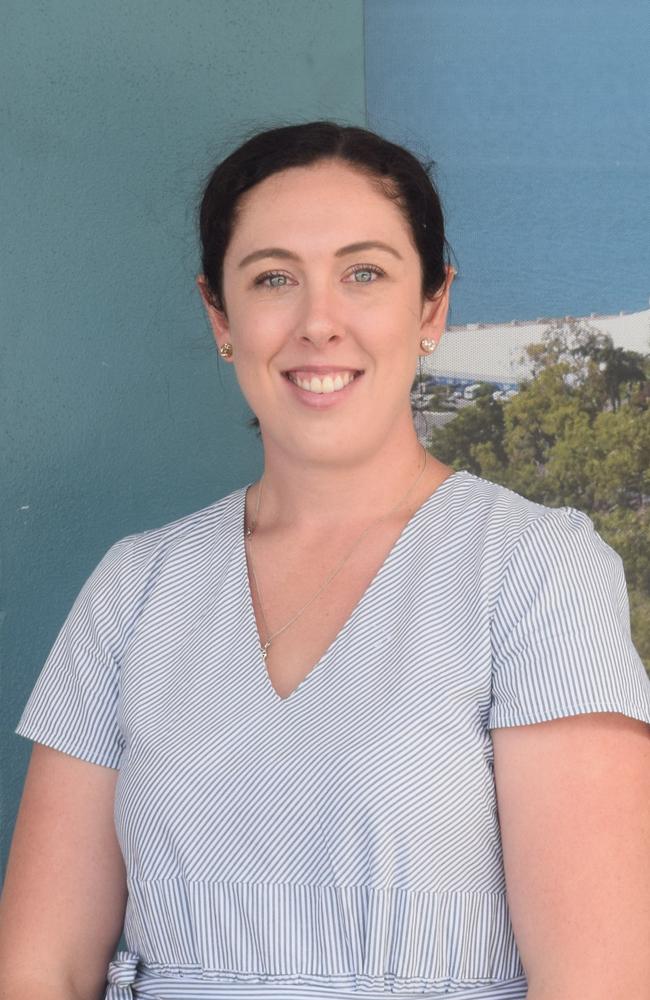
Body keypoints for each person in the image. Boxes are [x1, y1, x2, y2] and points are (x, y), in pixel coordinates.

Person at [1, 121, 649, 1000]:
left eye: (365, 273)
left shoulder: (537, 571)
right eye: (273, 278)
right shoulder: (134, 587)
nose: (318, 323)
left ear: (433, 307)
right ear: (218, 315)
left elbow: (598, 981)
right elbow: (41, 969)